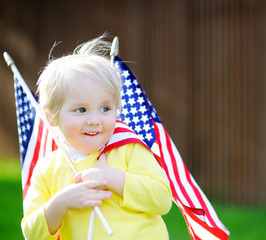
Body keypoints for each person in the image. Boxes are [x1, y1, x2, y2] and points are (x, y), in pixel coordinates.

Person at [21, 35, 172, 240]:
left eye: (105, 108)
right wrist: (61, 203)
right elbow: (32, 233)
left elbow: (162, 200)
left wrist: (112, 178)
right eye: (81, 109)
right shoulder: (47, 169)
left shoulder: (128, 148)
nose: (94, 120)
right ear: (51, 117)